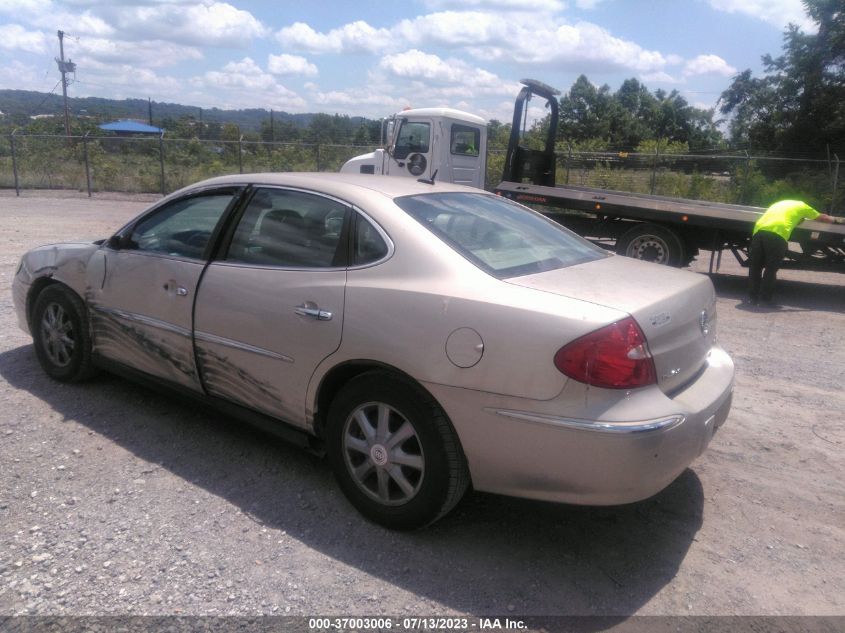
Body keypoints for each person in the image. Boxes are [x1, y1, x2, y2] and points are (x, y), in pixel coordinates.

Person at [748, 199, 843, 305]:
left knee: (755, 266)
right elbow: (824, 218)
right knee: (771, 268)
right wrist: (839, 220)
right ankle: (765, 299)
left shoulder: (779, 203)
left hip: (758, 231)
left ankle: (752, 297)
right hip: (777, 233)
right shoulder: (802, 206)